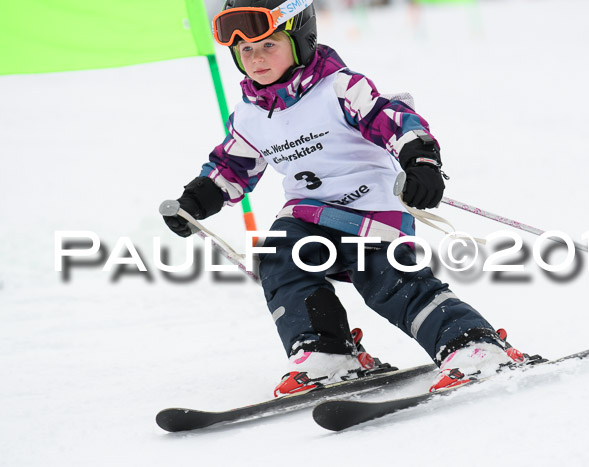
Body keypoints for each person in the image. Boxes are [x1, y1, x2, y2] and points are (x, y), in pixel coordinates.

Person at [163, 0, 522, 396]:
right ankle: (325, 352)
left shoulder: (339, 88)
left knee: (388, 283)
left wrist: (420, 160)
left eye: (268, 45)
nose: (256, 59)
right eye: (245, 50)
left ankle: (472, 345)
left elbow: (393, 119)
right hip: (306, 213)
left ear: (301, 39)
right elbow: (232, 167)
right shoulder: (249, 116)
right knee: (279, 259)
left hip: (369, 209)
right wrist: (197, 200)